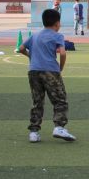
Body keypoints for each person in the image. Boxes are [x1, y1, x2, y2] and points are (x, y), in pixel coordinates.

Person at [18, 9, 76, 143]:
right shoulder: (57, 36)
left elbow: (21, 48)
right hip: (50, 71)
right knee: (60, 99)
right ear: (57, 23)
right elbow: (62, 53)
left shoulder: (35, 35)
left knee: (37, 101)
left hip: (33, 71)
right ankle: (59, 127)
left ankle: (34, 131)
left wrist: (31, 57)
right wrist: (60, 68)